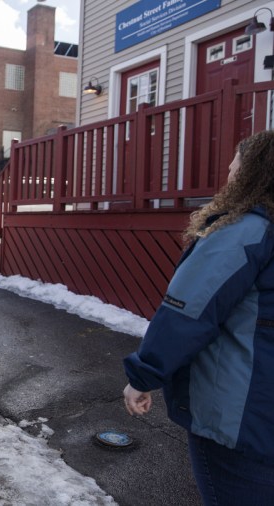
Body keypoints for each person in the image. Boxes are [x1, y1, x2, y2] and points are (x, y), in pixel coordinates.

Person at [123, 130, 274, 505]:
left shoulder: (246, 231)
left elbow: (187, 312)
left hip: (239, 418)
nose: (228, 167)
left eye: (237, 161)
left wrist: (143, 375)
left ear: (254, 171)